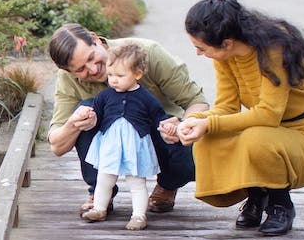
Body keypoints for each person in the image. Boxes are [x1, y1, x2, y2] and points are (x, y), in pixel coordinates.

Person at [177, 0, 304, 237]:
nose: (198, 53)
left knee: (254, 138)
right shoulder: (224, 56)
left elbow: (269, 115)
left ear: (227, 42)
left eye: (200, 48)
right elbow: (226, 108)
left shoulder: (273, 50)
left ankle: (280, 205)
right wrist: (192, 121)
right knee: (210, 136)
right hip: (268, 132)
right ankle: (256, 196)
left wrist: (209, 123)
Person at [47, 24, 209, 216]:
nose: (93, 68)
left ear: (96, 39)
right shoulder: (67, 80)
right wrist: (74, 123)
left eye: (92, 57)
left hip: (157, 133)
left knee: (190, 147)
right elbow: (57, 146)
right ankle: (100, 193)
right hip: (108, 143)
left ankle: (167, 184)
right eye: (81, 69)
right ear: (69, 72)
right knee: (85, 108)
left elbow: (197, 102)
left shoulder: (147, 53)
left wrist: (183, 126)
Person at [78, 43, 170, 230]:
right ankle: (99, 208)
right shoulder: (105, 96)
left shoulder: (145, 97)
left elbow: (159, 116)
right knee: (104, 179)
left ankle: (138, 215)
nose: (114, 80)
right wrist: (90, 116)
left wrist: (167, 125)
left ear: (137, 74)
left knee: (136, 183)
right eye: (111, 75)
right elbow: (97, 115)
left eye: (120, 76)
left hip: (134, 145)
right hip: (110, 144)